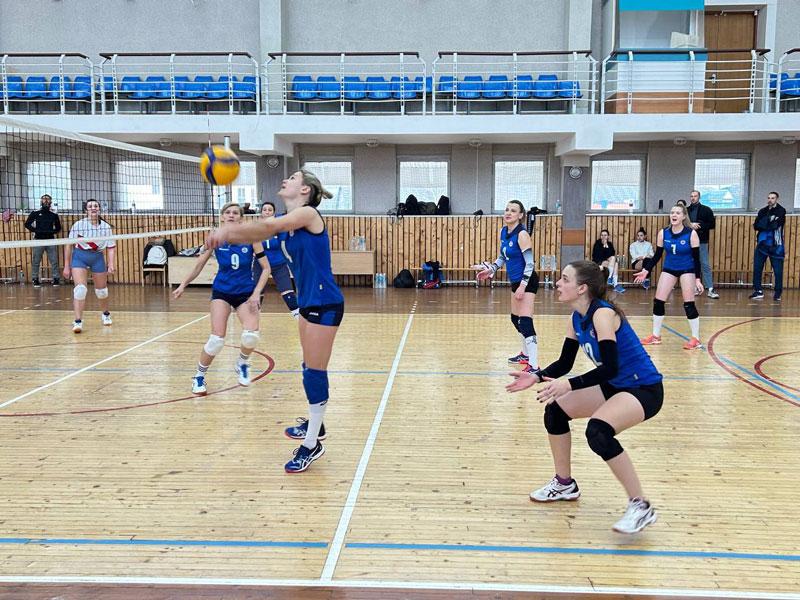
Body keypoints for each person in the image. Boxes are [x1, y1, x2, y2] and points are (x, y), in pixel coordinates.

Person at [506, 260, 662, 534]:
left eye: (565, 279)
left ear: (582, 288)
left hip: (643, 389)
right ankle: (564, 483)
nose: (558, 283)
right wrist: (536, 376)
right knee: (555, 411)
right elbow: (565, 363)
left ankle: (641, 506)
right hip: (615, 385)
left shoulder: (603, 315)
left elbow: (610, 368)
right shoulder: (576, 318)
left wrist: (569, 385)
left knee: (598, 432)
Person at [206, 170, 344, 474]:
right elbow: (262, 232)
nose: (286, 179)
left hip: (325, 302)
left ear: (305, 189)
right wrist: (229, 232)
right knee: (308, 368)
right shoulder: (289, 222)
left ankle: (312, 444)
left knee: (315, 373)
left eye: (293, 178)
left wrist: (227, 232)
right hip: (309, 301)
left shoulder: (307, 214)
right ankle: (316, 423)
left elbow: (268, 226)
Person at [172, 202, 269, 396]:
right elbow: (199, 264)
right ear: (223, 217)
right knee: (216, 340)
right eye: (228, 212)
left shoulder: (251, 238)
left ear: (241, 218)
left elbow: (266, 268)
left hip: (245, 292)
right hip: (222, 291)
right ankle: (199, 376)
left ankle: (242, 363)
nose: (231, 215)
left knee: (251, 336)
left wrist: (257, 292)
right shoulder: (215, 238)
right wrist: (183, 284)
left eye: (235, 213)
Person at [475, 200, 540, 372]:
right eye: (507, 209)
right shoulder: (504, 231)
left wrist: (522, 286)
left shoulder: (522, 235)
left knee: (525, 320)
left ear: (520, 215)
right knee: (515, 318)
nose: (508, 213)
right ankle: (525, 354)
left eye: (513, 211)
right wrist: (491, 270)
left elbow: (530, 263)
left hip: (527, 281)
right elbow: (503, 257)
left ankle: (534, 365)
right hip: (516, 281)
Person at [634, 204, 704, 350]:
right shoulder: (663, 233)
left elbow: (697, 259)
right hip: (669, 269)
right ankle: (656, 336)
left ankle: (696, 339)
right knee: (658, 302)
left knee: (688, 304)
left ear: (683, 216)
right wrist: (646, 270)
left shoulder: (691, 234)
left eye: (677, 213)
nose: (674, 215)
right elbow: (657, 255)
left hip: (687, 269)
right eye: (672, 212)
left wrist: (698, 279)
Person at [62, 199, 116, 333]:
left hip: (97, 257)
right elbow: (68, 245)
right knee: (80, 289)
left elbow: (111, 247)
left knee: (102, 291)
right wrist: (66, 266)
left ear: (99, 209)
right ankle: (78, 321)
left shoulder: (105, 227)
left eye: (96, 206)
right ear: (86, 210)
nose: (93, 208)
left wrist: (111, 264)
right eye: (90, 206)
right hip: (80, 257)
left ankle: (105, 314)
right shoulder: (78, 225)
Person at [254, 201, 299, 318]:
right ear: (261, 213)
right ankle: (253, 320)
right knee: (257, 292)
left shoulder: (280, 228)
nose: (267, 212)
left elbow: (285, 242)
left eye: (270, 210)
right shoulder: (256, 228)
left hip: (279, 264)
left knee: (287, 291)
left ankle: (298, 317)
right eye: (265, 210)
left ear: (274, 213)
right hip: (260, 264)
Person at [750, 191, 786, 302]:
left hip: (776, 245)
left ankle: (778, 293)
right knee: (757, 267)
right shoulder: (762, 211)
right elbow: (756, 226)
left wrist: (765, 223)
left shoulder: (781, 210)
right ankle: (758, 290)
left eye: (773, 198)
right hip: (762, 244)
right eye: (769, 198)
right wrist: (769, 221)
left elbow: (776, 225)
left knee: (778, 270)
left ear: (777, 199)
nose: (770, 200)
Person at [25, 194, 62, 287]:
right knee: (36, 260)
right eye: (44, 199)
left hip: (50, 240)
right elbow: (27, 224)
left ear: (50, 202)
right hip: (38, 240)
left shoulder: (54, 214)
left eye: (48, 199)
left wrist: (51, 232)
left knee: (54, 260)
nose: (46, 201)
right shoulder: (35, 213)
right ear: (41, 201)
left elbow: (58, 228)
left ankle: (56, 279)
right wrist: (36, 230)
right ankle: (35, 279)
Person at [687, 190, 719, 299]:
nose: (693, 198)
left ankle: (710, 288)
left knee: (704, 264)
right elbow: (682, 224)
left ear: (699, 197)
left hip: (701, 241)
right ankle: (694, 287)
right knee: (691, 264)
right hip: (688, 241)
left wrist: (699, 225)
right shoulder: (686, 211)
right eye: (691, 196)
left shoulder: (706, 210)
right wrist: (690, 225)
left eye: (695, 196)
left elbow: (712, 224)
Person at [591, 229, 624, 294]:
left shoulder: (609, 244)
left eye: (605, 235)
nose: (603, 237)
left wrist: (606, 245)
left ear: (608, 236)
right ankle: (615, 284)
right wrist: (603, 246)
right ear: (600, 236)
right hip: (598, 262)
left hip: (608, 262)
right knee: (613, 263)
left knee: (615, 262)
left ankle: (610, 278)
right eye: (602, 235)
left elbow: (611, 254)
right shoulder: (597, 243)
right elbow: (599, 255)